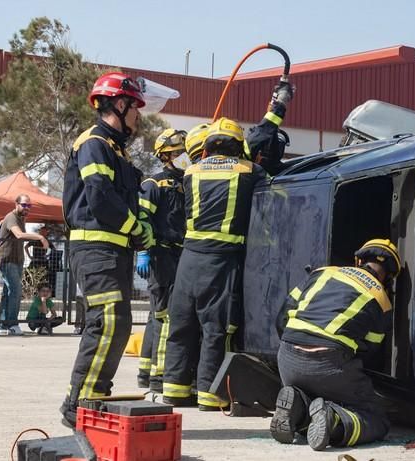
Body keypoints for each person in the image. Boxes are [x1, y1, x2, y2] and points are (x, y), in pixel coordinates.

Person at [163, 81, 294, 410]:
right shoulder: (250, 171)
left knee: (181, 325)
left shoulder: (191, 172)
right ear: (238, 146)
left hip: (188, 261)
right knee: (214, 328)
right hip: (220, 263)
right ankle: (209, 395)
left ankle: (174, 391)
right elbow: (275, 198)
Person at [60, 71, 155, 428]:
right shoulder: (94, 142)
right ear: (119, 103)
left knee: (118, 323)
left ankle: (94, 394)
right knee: (107, 321)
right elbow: (100, 196)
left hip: (112, 250)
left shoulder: (116, 149)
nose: (138, 116)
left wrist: (139, 228)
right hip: (95, 247)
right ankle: (80, 402)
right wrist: (135, 228)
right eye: (135, 108)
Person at [270, 239, 401, 451]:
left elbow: (282, 318)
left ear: (358, 260)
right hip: (328, 363)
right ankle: (334, 422)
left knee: (316, 399)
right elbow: (370, 353)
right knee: (376, 419)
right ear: (389, 277)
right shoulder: (382, 300)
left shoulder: (322, 272)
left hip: (287, 356)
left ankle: (297, 405)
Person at [136, 128, 187, 393]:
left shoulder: (185, 182)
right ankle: (159, 375)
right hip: (160, 254)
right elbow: (142, 220)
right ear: (166, 156)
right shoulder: (152, 185)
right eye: (179, 152)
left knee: (156, 316)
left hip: (178, 253)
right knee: (165, 315)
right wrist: (143, 251)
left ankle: (146, 371)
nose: (184, 156)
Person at [0, 194, 48, 336]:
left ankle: (3, 325)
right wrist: (40, 237)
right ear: (16, 204)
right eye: (24, 205)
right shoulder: (12, 217)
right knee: (16, 291)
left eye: (29, 205)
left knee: (8, 293)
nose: (27, 208)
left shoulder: (21, 218)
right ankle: (12, 324)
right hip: (7, 260)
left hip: (17, 260)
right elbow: (19, 235)